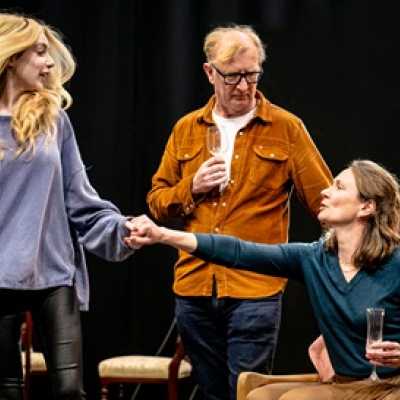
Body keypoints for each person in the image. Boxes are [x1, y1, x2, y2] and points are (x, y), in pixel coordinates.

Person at [146, 24, 332, 400]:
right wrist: (191, 187)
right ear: (209, 72)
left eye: (252, 74)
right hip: (194, 286)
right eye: (233, 77)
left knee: (246, 392)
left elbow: (327, 204)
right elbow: (157, 204)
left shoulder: (286, 128)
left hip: (255, 288)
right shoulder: (186, 130)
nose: (245, 87)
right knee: (212, 393)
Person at [126, 159, 400, 400]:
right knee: (259, 395)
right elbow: (238, 252)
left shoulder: (395, 263)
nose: (325, 192)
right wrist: (162, 235)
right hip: (348, 384)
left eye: (339, 187)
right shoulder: (315, 259)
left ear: (367, 206)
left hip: (391, 385)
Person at [0, 13, 136, 400]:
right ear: (11, 57)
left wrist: (121, 230)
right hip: (0, 274)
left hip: (53, 273)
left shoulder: (53, 120)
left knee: (70, 391)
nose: (48, 63)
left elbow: (81, 200)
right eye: (40, 52)